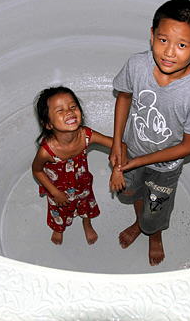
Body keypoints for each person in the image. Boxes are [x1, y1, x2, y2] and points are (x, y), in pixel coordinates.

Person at [110, 0, 190, 266]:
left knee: (156, 206)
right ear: (152, 35)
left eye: (182, 45)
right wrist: (118, 144)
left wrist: (138, 161)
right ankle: (139, 223)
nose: (169, 52)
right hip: (132, 150)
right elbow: (123, 98)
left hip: (165, 167)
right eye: (163, 40)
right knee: (132, 193)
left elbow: (188, 146)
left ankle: (153, 233)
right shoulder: (137, 65)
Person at [32, 86, 125, 245]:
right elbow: (37, 170)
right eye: (60, 110)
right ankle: (58, 228)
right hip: (58, 187)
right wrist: (54, 192)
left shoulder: (86, 136)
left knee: (86, 204)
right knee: (59, 209)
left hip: (81, 182)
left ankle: (86, 223)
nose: (68, 112)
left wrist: (117, 170)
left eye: (73, 107)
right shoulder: (46, 151)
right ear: (48, 124)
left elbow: (120, 146)